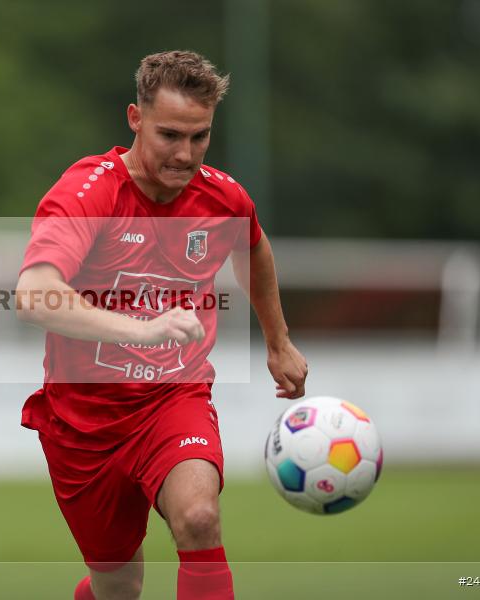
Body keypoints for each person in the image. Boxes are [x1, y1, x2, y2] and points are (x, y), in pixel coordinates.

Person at [16, 50, 308, 600]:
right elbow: (33, 297)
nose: (185, 154)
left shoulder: (222, 196)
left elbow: (253, 246)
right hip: (86, 424)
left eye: (199, 138)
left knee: (199, 517)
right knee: (119, 587)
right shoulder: (89, 192)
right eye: (170, 135)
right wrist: (141, 330)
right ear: (135, 118)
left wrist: (279, 341)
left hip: (174, 398)